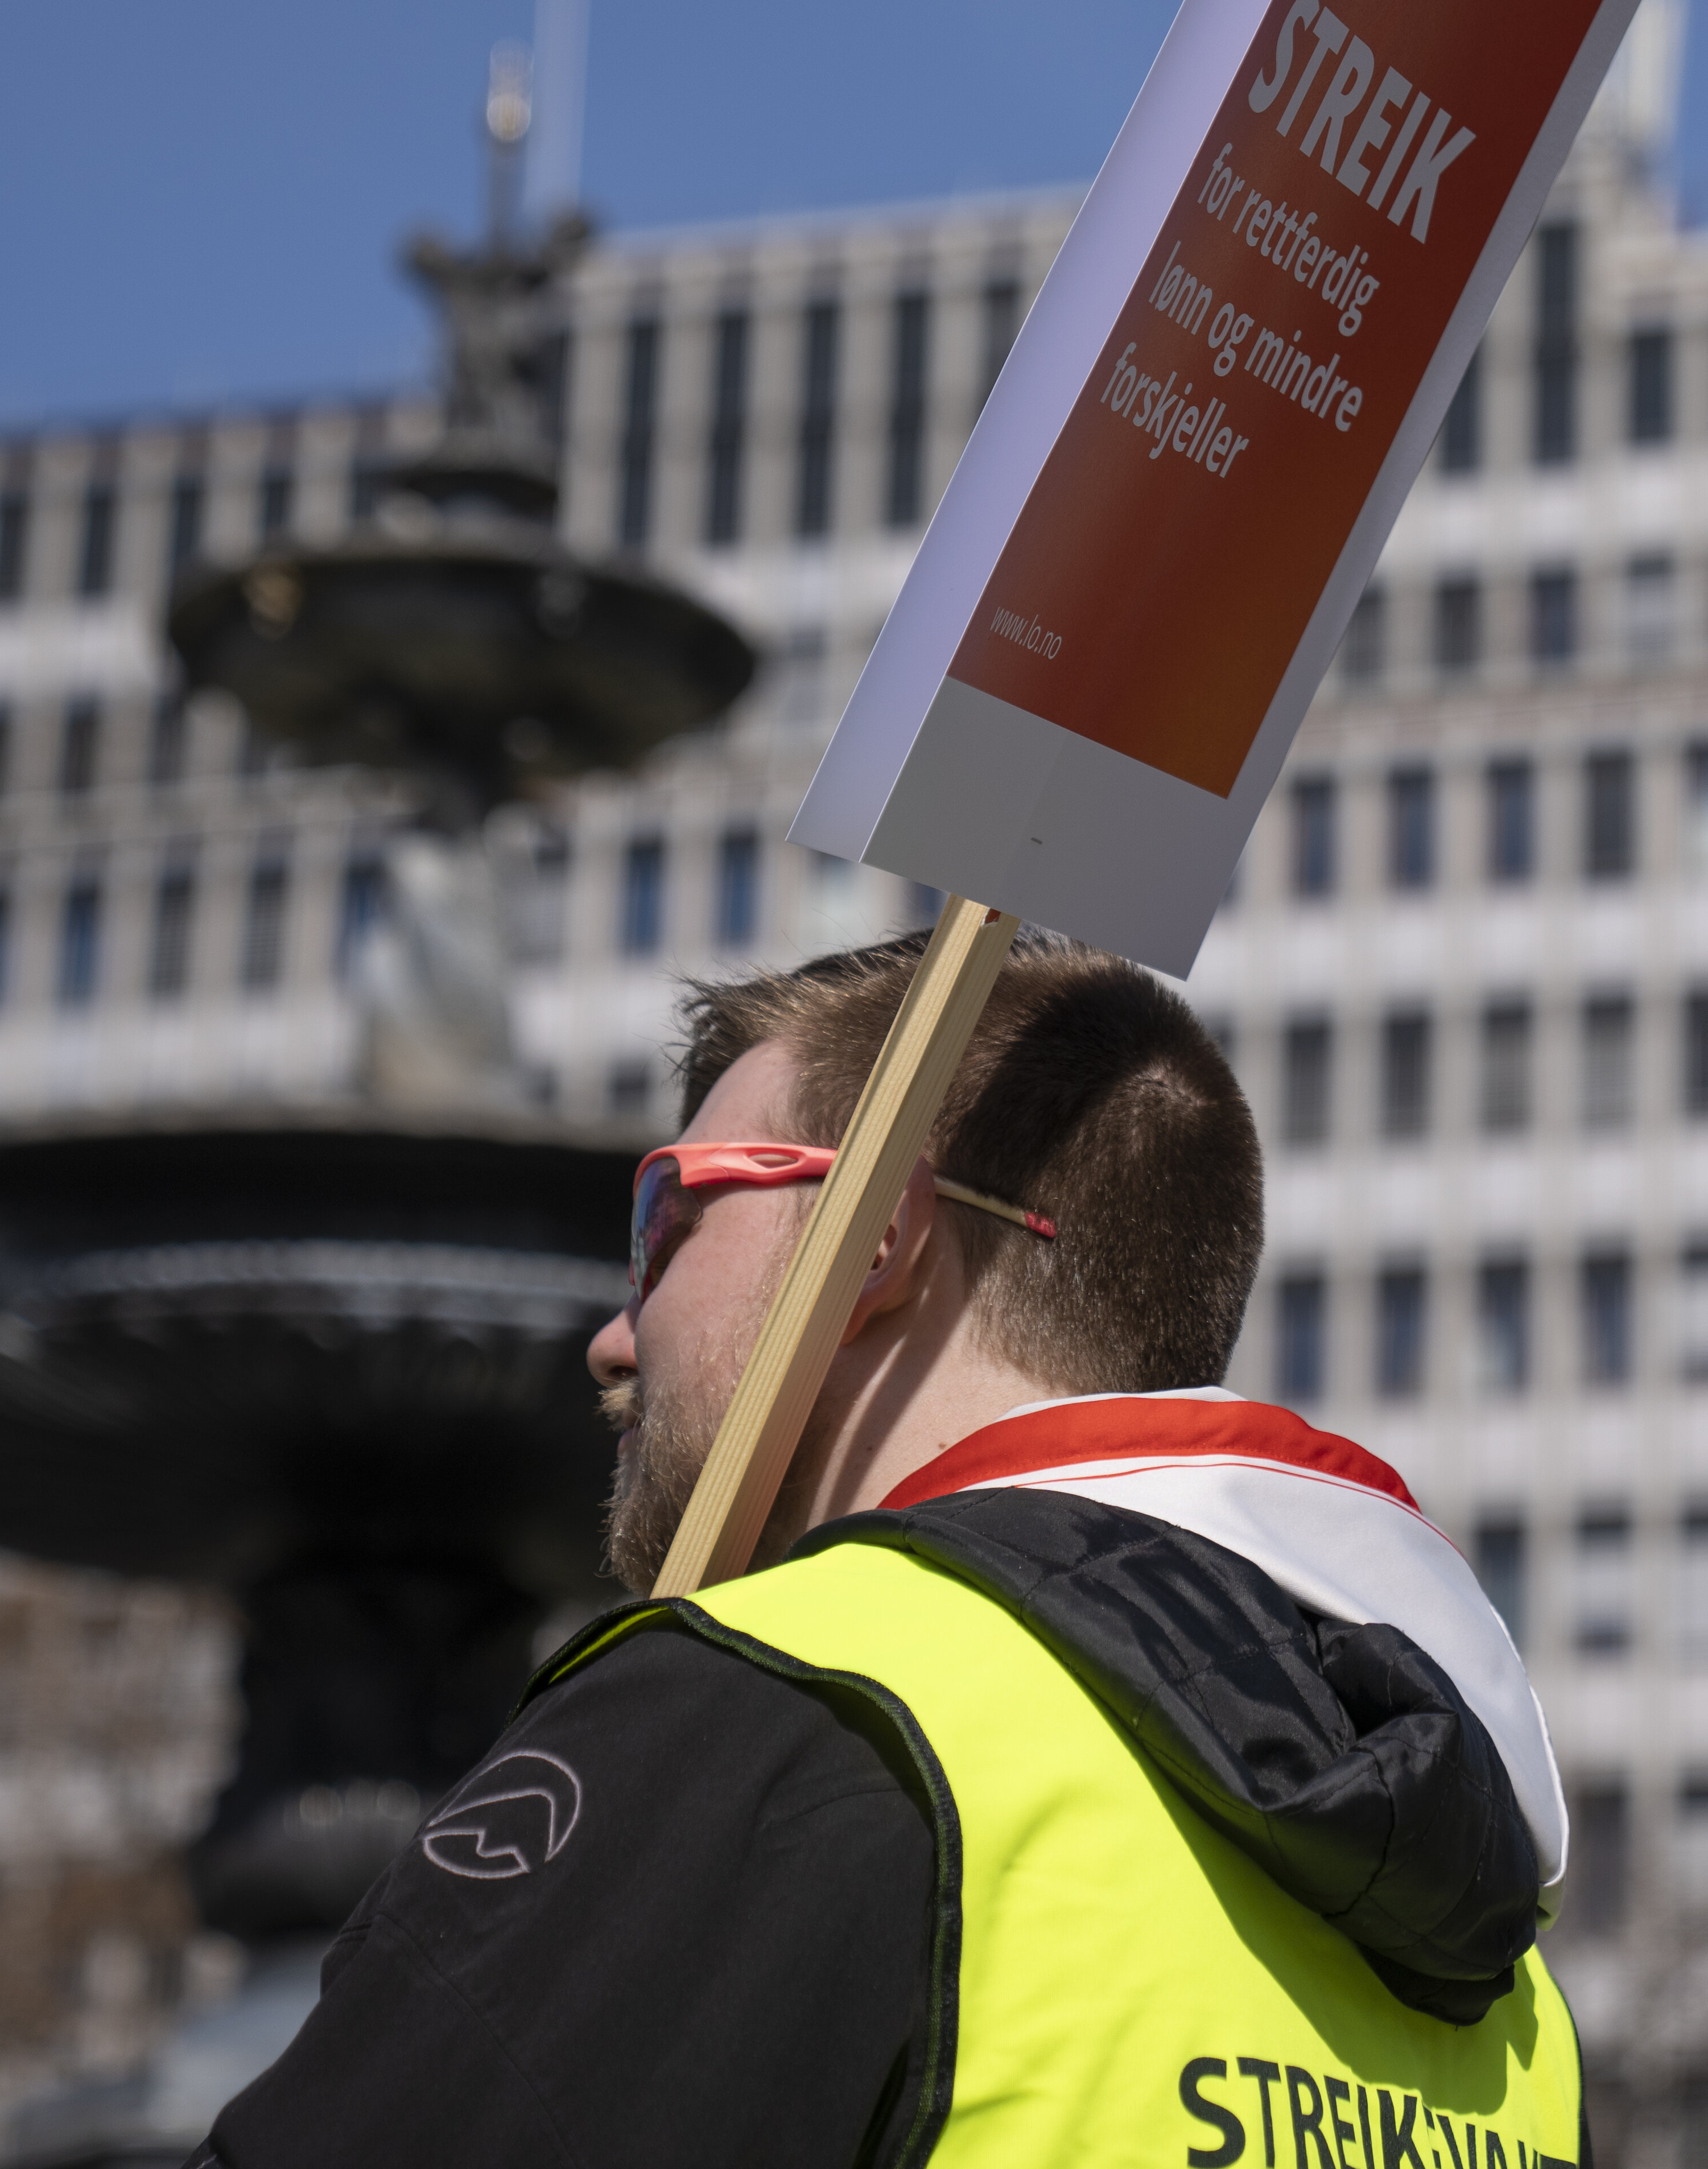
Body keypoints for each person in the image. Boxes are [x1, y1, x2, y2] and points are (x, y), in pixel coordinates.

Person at [199, 928, 1581, 2168]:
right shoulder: (1513, 2000)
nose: (615, 1335)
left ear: (876, 1241)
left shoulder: (795, 1715)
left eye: (668, 1221)